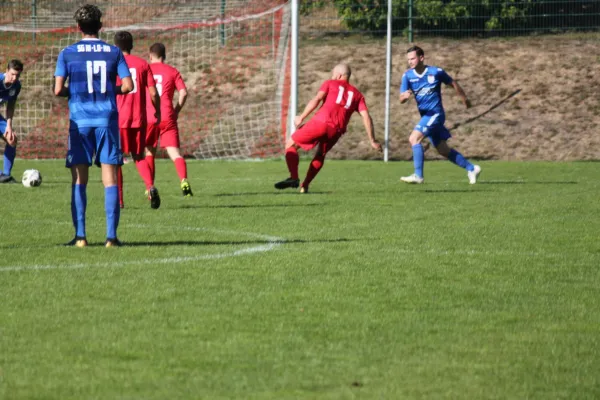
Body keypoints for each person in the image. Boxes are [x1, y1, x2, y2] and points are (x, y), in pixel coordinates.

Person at [54, 4, 133, 247]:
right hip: (106, 120)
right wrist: (110, 90)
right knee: (110, 179)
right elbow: (128, 86)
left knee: (79, 179)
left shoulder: (67, 53)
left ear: (78, 27)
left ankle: (81, 237)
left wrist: (75, 93)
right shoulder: (113, 52)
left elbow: (58, 90)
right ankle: (111, 237)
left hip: (80, 120)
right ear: (100, 26)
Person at [274, 63, 381, 193]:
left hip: (321, 122)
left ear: (339, 75)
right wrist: (372, 140)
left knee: (290, 145)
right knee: (320, 154)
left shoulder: (330, 83)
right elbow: (366, 117)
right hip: (336, 131)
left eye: (333, 74)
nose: (332, 76)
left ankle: (294, 177)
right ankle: (305, 185)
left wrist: (301, 116)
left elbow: (317, 98)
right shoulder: (358, 95)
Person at [399, 45, 481, 184]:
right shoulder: (407, 75)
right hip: (426, 117)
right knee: (443, 149)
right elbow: (401, 97)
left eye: (412, 58)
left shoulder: (435, 72)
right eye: (408, 59)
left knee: (414, 139)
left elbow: (452, 83)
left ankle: (418, 175)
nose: (410, 61)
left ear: (421, 57)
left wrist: (464, 99)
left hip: (436, 114)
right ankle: (472, 168)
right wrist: (404, 97)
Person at [113, 31, 162, 210]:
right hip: (138, 118)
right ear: (132, 45)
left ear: (115, 46)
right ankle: (150, 187)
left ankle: (119, 201)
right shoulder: (143, 64)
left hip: (118, 118)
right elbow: (154, 92)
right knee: (139, 157)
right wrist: (156, 111)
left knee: (116, 159)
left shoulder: (112, 63)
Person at [145, 43, 192, 197]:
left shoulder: (145, 69)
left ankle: (150, 187)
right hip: (167, 115)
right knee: (175, 153)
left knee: (149, 152)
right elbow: (184, 93)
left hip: (150, 115)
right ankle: (184, 180)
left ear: (150, 55)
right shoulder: (172, 71)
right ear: (164, 56)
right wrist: (176, 111)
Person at [0, 60, 24, 184]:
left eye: (18, 75)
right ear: (6, 71)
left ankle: (6, 176)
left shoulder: (16, 86)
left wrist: (9, 126)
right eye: (12, 74)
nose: (15, 78)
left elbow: (10, 106)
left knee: (12, 139)